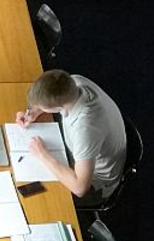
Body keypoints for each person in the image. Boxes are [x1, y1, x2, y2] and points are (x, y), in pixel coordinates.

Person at [15, 70, 127, 206]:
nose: (37, 108)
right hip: (83, 152)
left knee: (33, 201)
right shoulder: (72, 81)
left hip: (95, 183)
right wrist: (33, 111)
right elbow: (53, 95)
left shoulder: (85, 128)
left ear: (57, 107)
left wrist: (43, 155)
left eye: (41, 106)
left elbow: (80, 188)